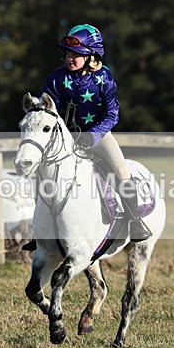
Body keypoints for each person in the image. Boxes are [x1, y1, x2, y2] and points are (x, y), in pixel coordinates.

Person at [38, 23, 152, 242]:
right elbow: (48, 109)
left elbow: (112, 115)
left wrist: (93, 135)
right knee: (42, 172)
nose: (70, 58)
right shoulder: (56, 77)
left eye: (77, 54)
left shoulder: (105, 78)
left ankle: (135, 221)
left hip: (97, 136)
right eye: (68, 53)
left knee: (121, 171)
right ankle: (41, 228)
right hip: (65, 138)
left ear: (91, 56)